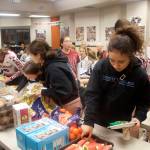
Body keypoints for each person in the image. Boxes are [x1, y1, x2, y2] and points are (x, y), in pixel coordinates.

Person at [81, 26, 150, 138]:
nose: (115, 65)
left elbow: (144, 102)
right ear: (108, 53)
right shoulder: (101, 66)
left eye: (121, 62)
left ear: (131, 56)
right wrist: (88, 121)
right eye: (112, 60)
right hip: (98, 122)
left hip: (122, 125)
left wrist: (138, 117)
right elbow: (92, 94)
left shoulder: (139, 75)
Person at [28, 40, 81, 113]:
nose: (31, 58)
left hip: (70, 104)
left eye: (31, 55)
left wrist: (43, 92)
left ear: (38, 55)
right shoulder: (49, 63)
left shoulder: (53, 67)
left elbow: (64, 91)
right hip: (66, 102)